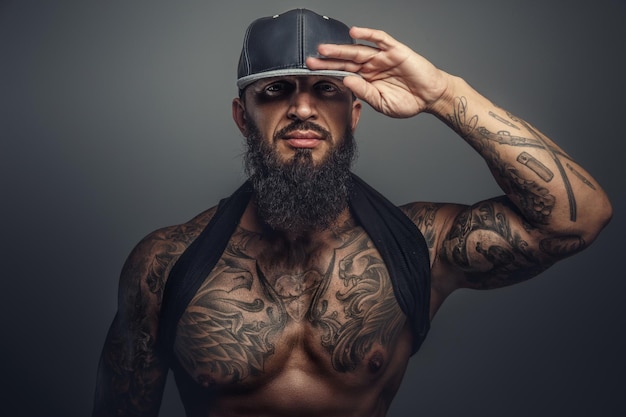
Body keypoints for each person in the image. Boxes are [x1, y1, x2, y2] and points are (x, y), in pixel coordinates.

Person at [92, 8, 612, 417]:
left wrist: (443, 94)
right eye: (275, 91)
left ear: (355, 111)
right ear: (241, 118)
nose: (301, 109)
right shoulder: (165, 264)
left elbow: (577, 218)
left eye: (326, 89)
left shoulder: (417, 246)